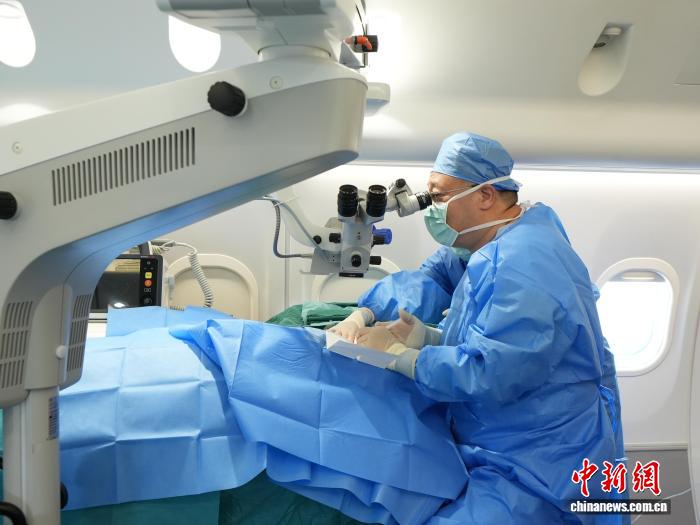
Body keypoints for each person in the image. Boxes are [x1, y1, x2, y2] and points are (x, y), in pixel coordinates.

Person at [329, 132, 627, 524]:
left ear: (485, 196)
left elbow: (492, 370)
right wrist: (367, 314)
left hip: (541, 458)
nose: (432, 208)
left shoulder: (525, 263)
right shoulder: (485, 242)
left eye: (438, 196)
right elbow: (431, 280)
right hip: (499, 438)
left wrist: (406, 357)